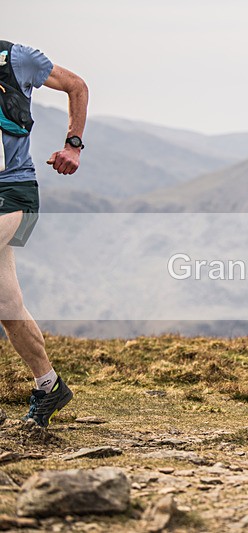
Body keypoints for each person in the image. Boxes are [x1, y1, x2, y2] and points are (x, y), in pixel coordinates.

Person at [0, 40, 88, 427]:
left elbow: (77, 86)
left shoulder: (18, 58)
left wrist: (73, 145)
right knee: (8, 307)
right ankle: (49, 386)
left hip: (12, 191)